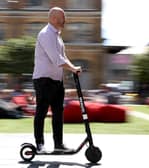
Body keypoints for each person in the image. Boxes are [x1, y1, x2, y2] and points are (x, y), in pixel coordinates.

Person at [32, 7, 82, 153]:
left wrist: (73, 67)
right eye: (62, 17)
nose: (65, 20)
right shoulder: (46, 34)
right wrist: (72, 69)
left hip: (56, 80)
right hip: (44, 80)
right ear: (53, 18)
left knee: (58, 113)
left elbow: (63, 57)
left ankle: (58, 144)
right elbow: (56, 59)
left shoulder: (57, 36)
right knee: (41, 112)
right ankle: (39, 144)